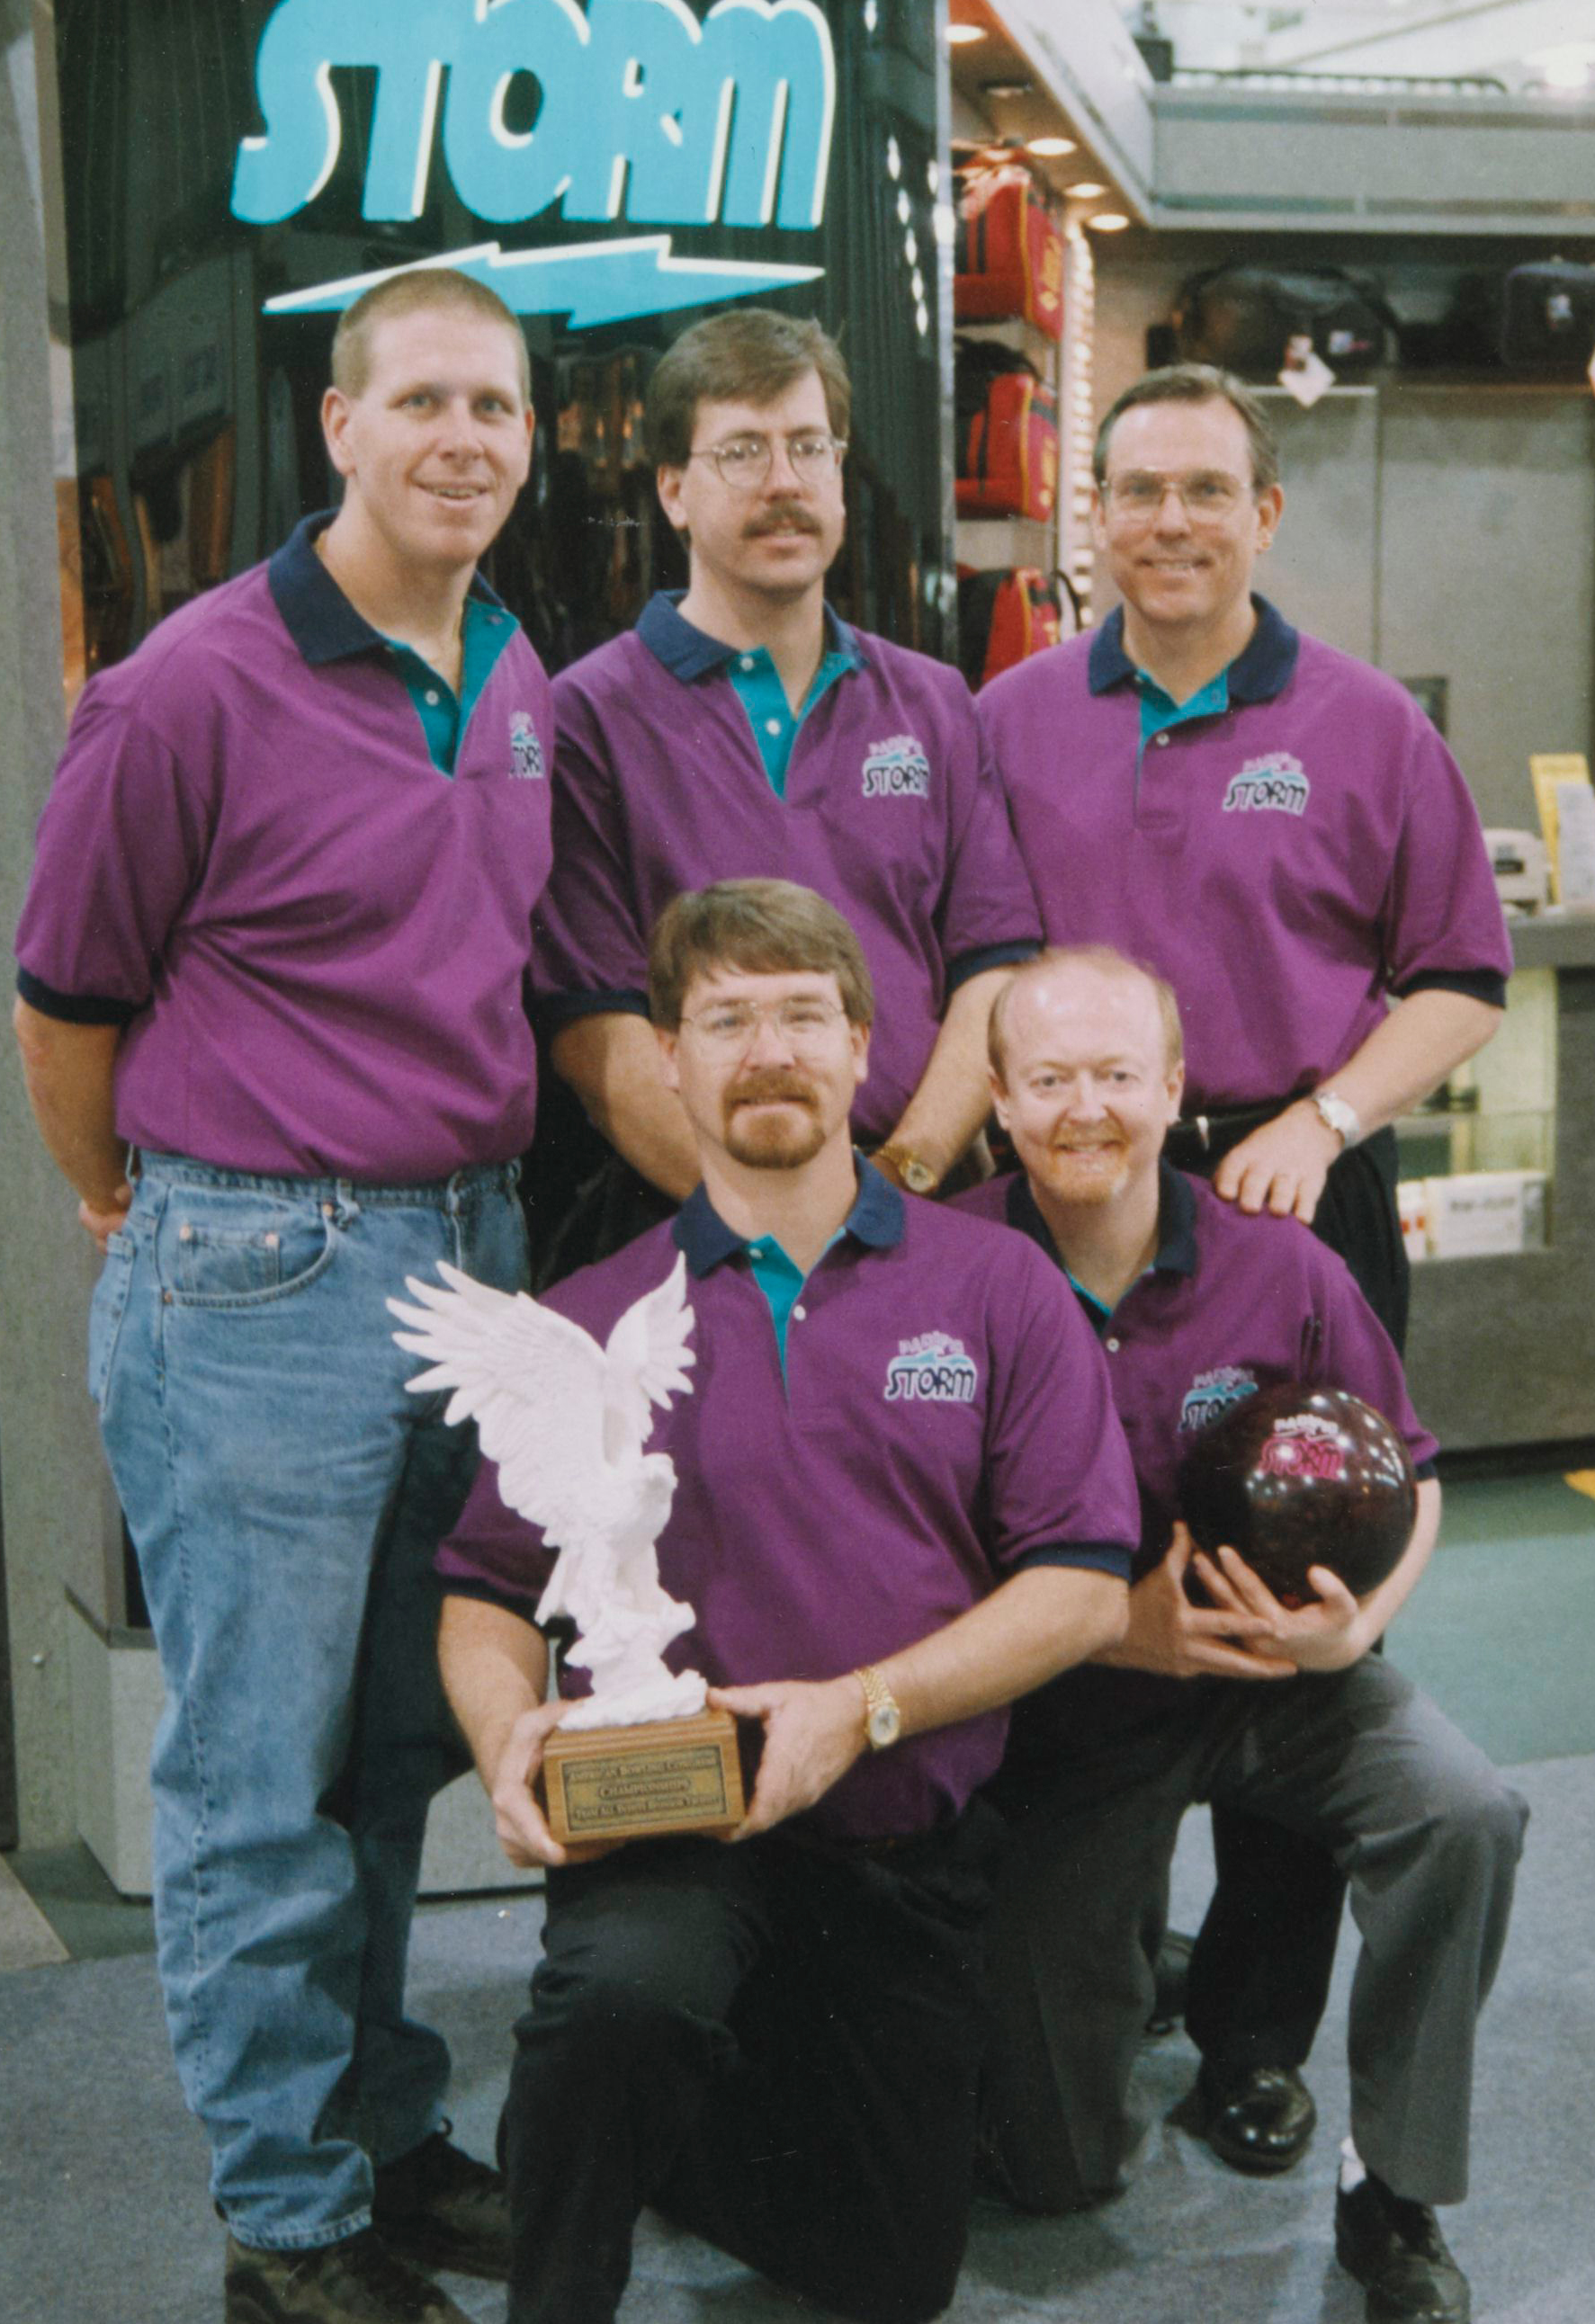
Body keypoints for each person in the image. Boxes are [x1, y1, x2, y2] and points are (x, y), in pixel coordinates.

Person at [13, 268, 552, 2324]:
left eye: (492, 406)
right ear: (337, 426)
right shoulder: (187, 684)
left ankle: (376, 2124)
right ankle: (285, 2219)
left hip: (468, 1257)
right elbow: (65, 1004)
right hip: (265, 1265)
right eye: (418, 400)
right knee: (253, 1785)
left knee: (389, 1751)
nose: (460, 439)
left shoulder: (508, 660)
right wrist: (126, 1209)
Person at [433, 880, 1138, 2324]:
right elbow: (486, 1592)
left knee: (889, 2277)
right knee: (624, 1997)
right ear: (671, 1062)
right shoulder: (586, 1318)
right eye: (726, 1019)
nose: (768, 1050)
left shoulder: (996, 1288)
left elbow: (1081, 1590)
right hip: (669, 1825)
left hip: (896, 1836)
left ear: (864, 1045)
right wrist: (506, 1734)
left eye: (804, 1015)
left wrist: (860, 1708)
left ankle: (668, 2120)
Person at [976, 361, 1513, 2168]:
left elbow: (1456, 974)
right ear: (1094, 517)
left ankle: (1252, 2035)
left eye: (1207, 489)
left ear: (1262, 513)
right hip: (1058, 1179)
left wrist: (1330, 1118)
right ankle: (1100, 1941)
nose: (1170, 521)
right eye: (1136, 490)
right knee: (1085, 1578)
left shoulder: (1364, 725)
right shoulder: (1013, 715)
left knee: (1290, 1603)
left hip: (1295, 1184)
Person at [956, 946, 1526, 2324]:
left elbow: (1418, 1473)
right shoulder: (939, 1276)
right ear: (996, 1099)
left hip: (1276, 1679)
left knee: (1463, 1809)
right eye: (1048, 1080)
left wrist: (1353, 1637)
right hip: (1059, 1706)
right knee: (1053, 2170)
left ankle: (1391, 2191)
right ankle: (1114, 1950)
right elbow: (893, 1551)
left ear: (1172, 1086)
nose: (1083, 1109)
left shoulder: (1285, 1266)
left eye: (1113, 1076)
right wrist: (1104, 1629)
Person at [534, 306, 1041, 1222]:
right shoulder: (585, 720)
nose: (783, 482)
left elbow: (992, 970)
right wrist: (778, 1220)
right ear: (673, 491)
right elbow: (594, 1038)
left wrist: (909, 1174)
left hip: (924, 1208)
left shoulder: (932, 704)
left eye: (810, 448)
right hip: (692, 1225)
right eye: (741, 452)